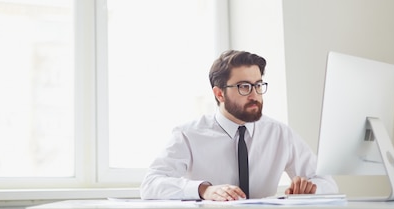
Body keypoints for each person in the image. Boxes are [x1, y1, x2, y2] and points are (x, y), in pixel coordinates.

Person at [140, 49, 338, 201]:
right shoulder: (188, 134)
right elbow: (150, 184)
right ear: (219, 94)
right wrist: (204, 190)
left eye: (258, 85)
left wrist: (311, 188)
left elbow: (328, 183)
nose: (254, 95)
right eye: (244, 86)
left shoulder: (279, 134)